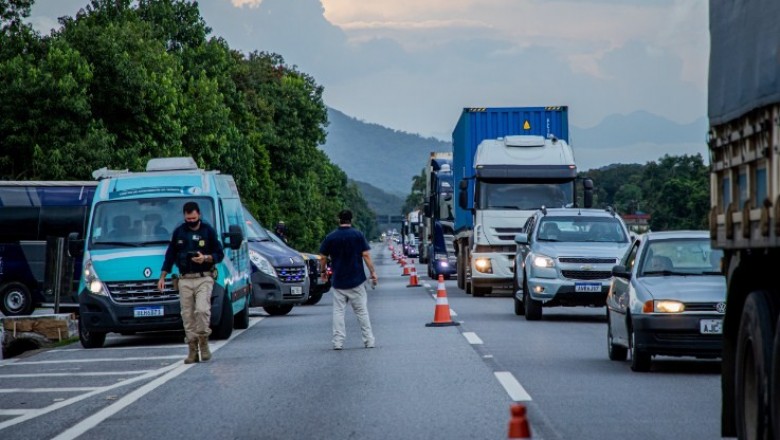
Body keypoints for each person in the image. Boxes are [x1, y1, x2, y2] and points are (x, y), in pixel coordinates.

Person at [158, 202, 224, 364]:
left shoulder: (208, 231)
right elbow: (170, 256)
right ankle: (192, 350)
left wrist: (206, 258)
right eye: (188, 219)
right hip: (185, 279)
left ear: (199, 215)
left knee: (202, 310)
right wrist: (162, 276)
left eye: (193, 218)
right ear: (184, 217)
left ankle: (203, 341)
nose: (191, 221)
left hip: (204, 277)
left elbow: (219, 254)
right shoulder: (179, 232)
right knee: (187, 316)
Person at [319, 209, 377, 350]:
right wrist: (373, 272)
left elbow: (322, 256)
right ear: (351, 220)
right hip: (356, 280)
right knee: (362, 311)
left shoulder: (331, 237)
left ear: (339, 220)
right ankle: (369, 341)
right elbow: (366, 255)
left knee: (338, 312)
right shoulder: (358, 235)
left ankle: (338, 342)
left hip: (338, 281)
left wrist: (323, 271)